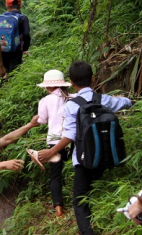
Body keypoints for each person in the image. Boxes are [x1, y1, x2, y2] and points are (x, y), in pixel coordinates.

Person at [38, 61, 132, 234]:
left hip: (84, 159)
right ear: (93, 78)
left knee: (80, 201)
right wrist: (129, 101)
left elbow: (70, 135)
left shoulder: (72, 105)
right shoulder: (103, 99)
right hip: (109, 156)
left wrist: (51, 151)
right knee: (99, 188)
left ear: (72, 83)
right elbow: (124, 103)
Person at [35, 69, 73, 217]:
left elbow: (42, 120)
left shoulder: (45, 101)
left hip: (54, 143)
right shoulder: (73, 98)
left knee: (55, 175)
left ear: (48, 87)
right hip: (71, 139)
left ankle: (58, 208)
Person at [1, 0, 31, 74]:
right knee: (14, 72)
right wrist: (25, 48)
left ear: (7, 6)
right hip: (16, 50)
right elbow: (26, 34)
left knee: (5, 70)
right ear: (20, 5)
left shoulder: (1, 17)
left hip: (2, 48)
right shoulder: (23, 18)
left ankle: (3, 83)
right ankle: (10, 85)